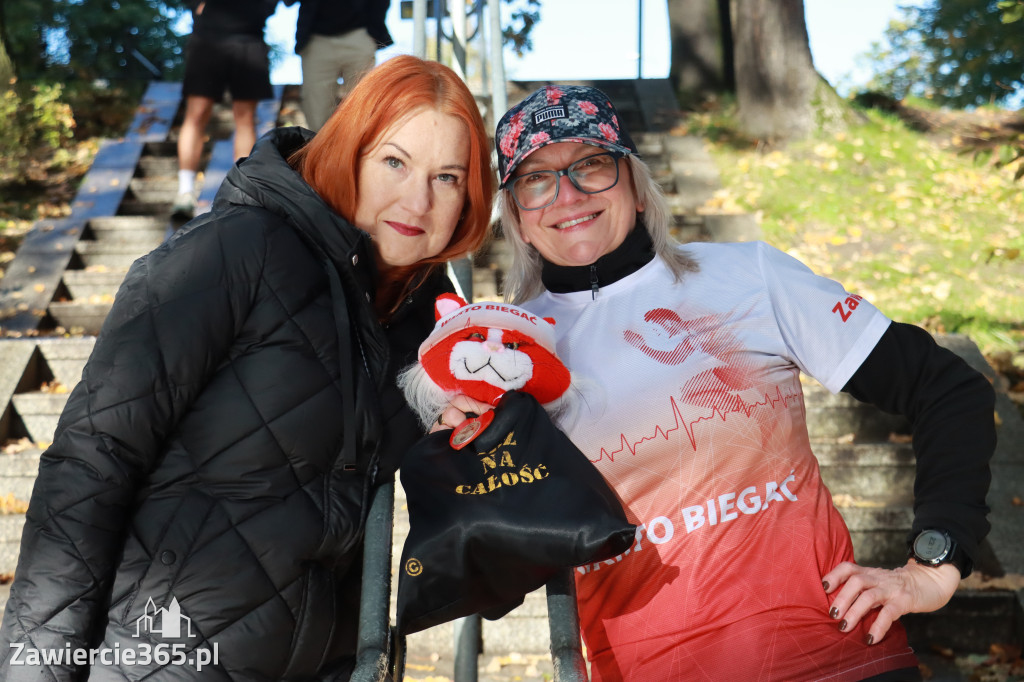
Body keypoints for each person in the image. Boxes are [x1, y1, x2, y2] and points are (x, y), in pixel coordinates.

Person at [437, 84, 996, 681]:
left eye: (591, 164)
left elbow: (946, 387)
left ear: (637, 184)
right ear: (516, 216)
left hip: (839, 661)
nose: (567, 193)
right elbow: (493, 588)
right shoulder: (505, 353)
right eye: (535, 178)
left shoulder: (748, 277)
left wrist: (934, 564)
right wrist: (478, 476)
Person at [0, 55, 495, 679]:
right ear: (350, 154)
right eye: (394, 162)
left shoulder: (426, 320)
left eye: (447, 177)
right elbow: (93, 456)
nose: (417, 199)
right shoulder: (236, 249)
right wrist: (36, 667)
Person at [172, 0, 278, 220]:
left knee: (246, 118)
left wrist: (263, 8)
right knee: (196, 114)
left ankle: (244, 190)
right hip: (207, 38)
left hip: (249, 39)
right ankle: (185, 192)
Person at [285, 0, 393, 131]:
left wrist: (374, 30)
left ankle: (363, 149)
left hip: (359, 34)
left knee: (365, 105)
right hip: (316, 40)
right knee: (316, 110)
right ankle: (322, 150)